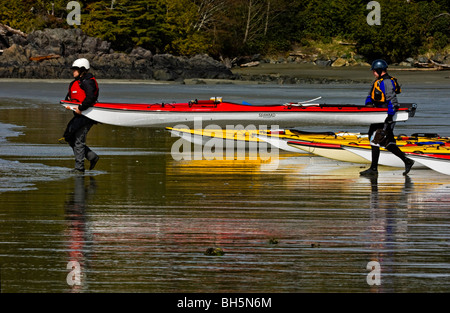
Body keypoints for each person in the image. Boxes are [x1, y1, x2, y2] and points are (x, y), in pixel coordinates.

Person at [360, 59, 414, 176]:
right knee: (377, 139)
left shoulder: (387, 82)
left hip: (385, 115)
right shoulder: (378, 81)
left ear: (379, 70)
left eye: (374, 71)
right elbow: (370, 95)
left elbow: (392, 101)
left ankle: (375, 169)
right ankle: (405, 161)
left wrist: (389, 116)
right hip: (377, 115)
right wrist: (369, 104)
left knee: (378, 139)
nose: (373, 73)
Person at [62, 58, 100, 173]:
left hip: (87, 116)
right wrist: (68, 103)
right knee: (68, 137)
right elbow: (68, 98)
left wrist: (81, 108)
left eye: (75, 70)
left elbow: (91, 98)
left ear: (82, 70)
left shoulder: (88, 81)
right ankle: (91, 156)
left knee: (78, 140)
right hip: (79, 115)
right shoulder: (76, 82)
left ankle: (79, 168)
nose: (73, 72)